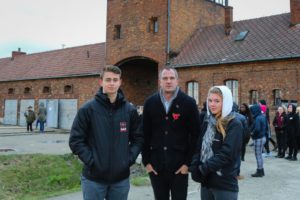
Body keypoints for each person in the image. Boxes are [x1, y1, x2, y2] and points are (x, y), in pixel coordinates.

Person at [69, 65, 143, 200]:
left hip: (120, 180)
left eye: (115, 80)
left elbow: (138, 139)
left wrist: (128, 160)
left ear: (120, 82)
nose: (112, 83)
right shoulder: (88, 109)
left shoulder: (129, 110)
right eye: (108, 80)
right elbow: (75, 140)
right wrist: (92, 161)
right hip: (93, 179)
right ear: (101, 81)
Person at [142, 67, 200, 200]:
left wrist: (188, 164)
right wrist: (147, 162)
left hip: (180, 167)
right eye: (165, 78)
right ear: (160, 81)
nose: (168, 81)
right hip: (156, 167)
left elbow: (196, 135)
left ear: (177, 81)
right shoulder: (150, 103)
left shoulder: (189, 103)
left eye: (172, 78)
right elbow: (145, 134)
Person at [190, 86, 243, 200]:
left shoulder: (234, 124)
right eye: (210, 100)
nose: (212, 104)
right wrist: (194, 165)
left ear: (226, 102)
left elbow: (226, 154)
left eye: (217, 101)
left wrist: (203, 169)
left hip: (224, 184)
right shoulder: (207, 121)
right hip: (206, 182)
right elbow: (198, 146)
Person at [250, 104, 267, 177]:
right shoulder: (262, 116)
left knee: (258, 155)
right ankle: (261, 170)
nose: (252, 112)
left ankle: (260, 171)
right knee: (259, 154)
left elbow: (257, 129)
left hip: (258, 138)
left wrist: (252, 134)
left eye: (252, 111)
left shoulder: (258, 118)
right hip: (262, 137)